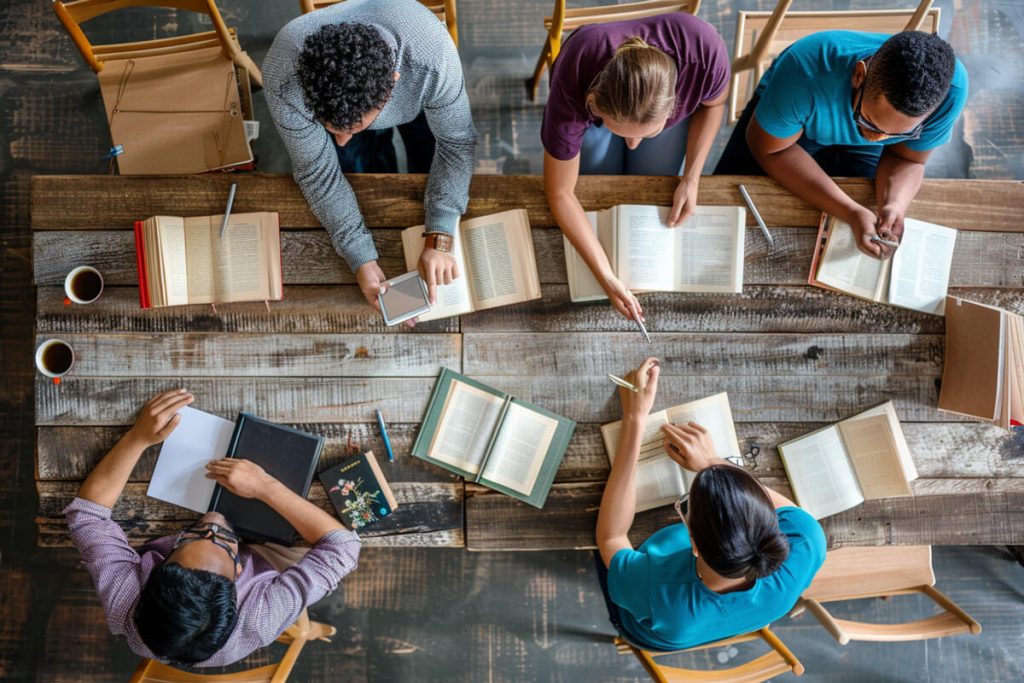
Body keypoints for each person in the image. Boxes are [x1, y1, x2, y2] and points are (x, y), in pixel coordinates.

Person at [64, 389, 360, 667]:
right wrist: (265, 486)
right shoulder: (260, 617)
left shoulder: (125, 603)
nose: (213, 521)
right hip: (271, 561)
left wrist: (138, 438)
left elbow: (88, 516)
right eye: (223, 544)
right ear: (239, 574)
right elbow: (344, 547)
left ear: (158, 569)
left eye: (192, 538)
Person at [595, 358, 826, 651]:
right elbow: (783, 509)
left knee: (598, 551)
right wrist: (710, 462)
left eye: (687, 508)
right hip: (714, 623)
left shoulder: (655, 591)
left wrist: (635, 420)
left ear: (693, 543)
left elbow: (612, 536)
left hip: (644, 625)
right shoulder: (806, 540)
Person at [263, 0, 477, 314]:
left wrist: (441, 234)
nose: (340, 140)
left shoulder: (433, 58)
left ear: (393, 83)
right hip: (357, 96)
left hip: (419, 95)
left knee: (426, 152)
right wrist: (360, 257)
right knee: (360, 162)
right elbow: (318, 173)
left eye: (353, 128)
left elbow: (456, 144)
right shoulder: (284, 79)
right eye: (331, 129)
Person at [542, 13, 730, 322]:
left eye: (647, 132)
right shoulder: (577, 67)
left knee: (655, 179)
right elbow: (561, 193)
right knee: (594, 182)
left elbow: (714, 105)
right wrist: (607, 277)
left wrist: (692, 177)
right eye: (623, 132)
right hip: (594, 103)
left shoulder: (706, 52)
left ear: (675, 105)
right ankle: (627, 129)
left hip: (650, 111)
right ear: (594, 103)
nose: (634, 142)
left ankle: (637, 129)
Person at [715, 30, 967, 259]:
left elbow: (907, 158)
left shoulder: (950, 91)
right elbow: (769, 149)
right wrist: (850, 211)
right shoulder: (804, 71)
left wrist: (895, 203)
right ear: (859, 75)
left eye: (897, 134)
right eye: (870, 123)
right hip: (790, 127)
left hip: (826, 117)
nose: (877, 139)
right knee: (723, 201)